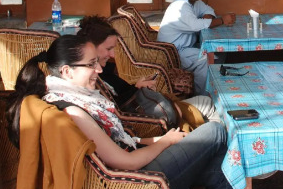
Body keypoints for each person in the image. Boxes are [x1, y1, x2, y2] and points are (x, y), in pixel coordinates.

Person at [7, 35, 234, 189]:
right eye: (91, 64)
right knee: (215, 131)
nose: (99, 70)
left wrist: (159, 139)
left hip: (134, 167)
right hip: (132, 184)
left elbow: (120, 142)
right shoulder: (73, 111)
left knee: (224, 169)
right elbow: (126, 161)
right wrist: (166, 142)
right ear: (67, 71)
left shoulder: (71, 97)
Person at [77, 14, 221, 127]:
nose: (113, 55)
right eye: (109, 49)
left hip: (149, 107)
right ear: (91, 46)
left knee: (206, 105)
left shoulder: (104, 71)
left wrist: (137, 87)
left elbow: (119, 98)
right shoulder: (94, 78)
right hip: (150, 118)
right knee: (208, 106)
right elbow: (119, 110)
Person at [157, 0, 236, 95]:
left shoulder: (194, 1)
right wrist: (222, 20)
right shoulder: (179, 7)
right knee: (206, 58)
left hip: (187, 48)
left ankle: (214, 86)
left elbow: (208, 10)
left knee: (219, 51)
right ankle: (202, 96)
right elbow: (195, 25)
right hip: (173, 53)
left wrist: (207, 17)